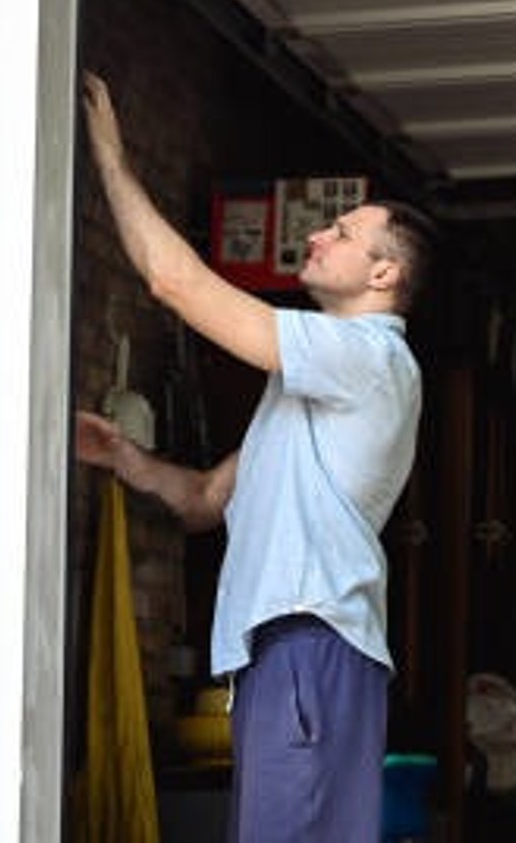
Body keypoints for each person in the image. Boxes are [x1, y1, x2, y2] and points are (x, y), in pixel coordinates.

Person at [73, 69, 438, 843]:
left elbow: (174, 282)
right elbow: (208, 498)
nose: (317, 235)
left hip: (308, 644)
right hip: (294, 654)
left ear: (384, 274)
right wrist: (128, 461)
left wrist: (108, 157)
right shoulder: (309, 386)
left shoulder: (363, 357)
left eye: (341, 233)